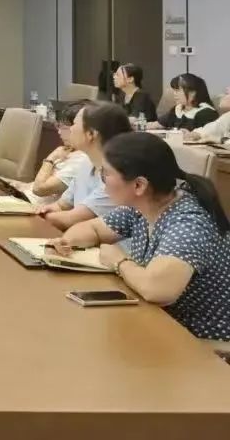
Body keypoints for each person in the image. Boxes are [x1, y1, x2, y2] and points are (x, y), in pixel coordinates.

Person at [48, 132, 230, 341]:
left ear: (139, 185)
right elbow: (93, 229)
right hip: (158, 324)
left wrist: (119, 261)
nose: (102, 182)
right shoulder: (144, 205)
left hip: (201, 342)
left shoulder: (188, 224)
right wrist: (68, 241)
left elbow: (157, 290)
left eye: (106, 174)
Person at [37, 102, 130, 230]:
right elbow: (61, 206)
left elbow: (72, 219)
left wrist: (37, 216)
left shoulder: (116, 176)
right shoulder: (87, 163)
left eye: (74, 124)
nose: (70, 129)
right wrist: (44, 211)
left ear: (91, 134)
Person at [30, 102, 92, 200]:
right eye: (58, 126)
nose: (59, 131)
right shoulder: (68, 151)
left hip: (37, 206)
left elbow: (38, 189)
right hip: (29, 199)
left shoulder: (82, 160)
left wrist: (50, 159)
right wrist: (20, 186)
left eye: (64, 127)